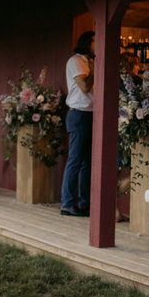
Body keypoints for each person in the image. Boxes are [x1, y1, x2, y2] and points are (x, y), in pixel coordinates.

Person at [60, 31, 94, 217]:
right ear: (88, 43)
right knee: (75, 160)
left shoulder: (89, 61)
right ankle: (67, 203)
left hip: (91, 113)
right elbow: (85, 86)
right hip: (78, 114)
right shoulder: (76, 61)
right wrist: (97, 68)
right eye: (97, 41)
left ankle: (85, 203)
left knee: (87, 162)